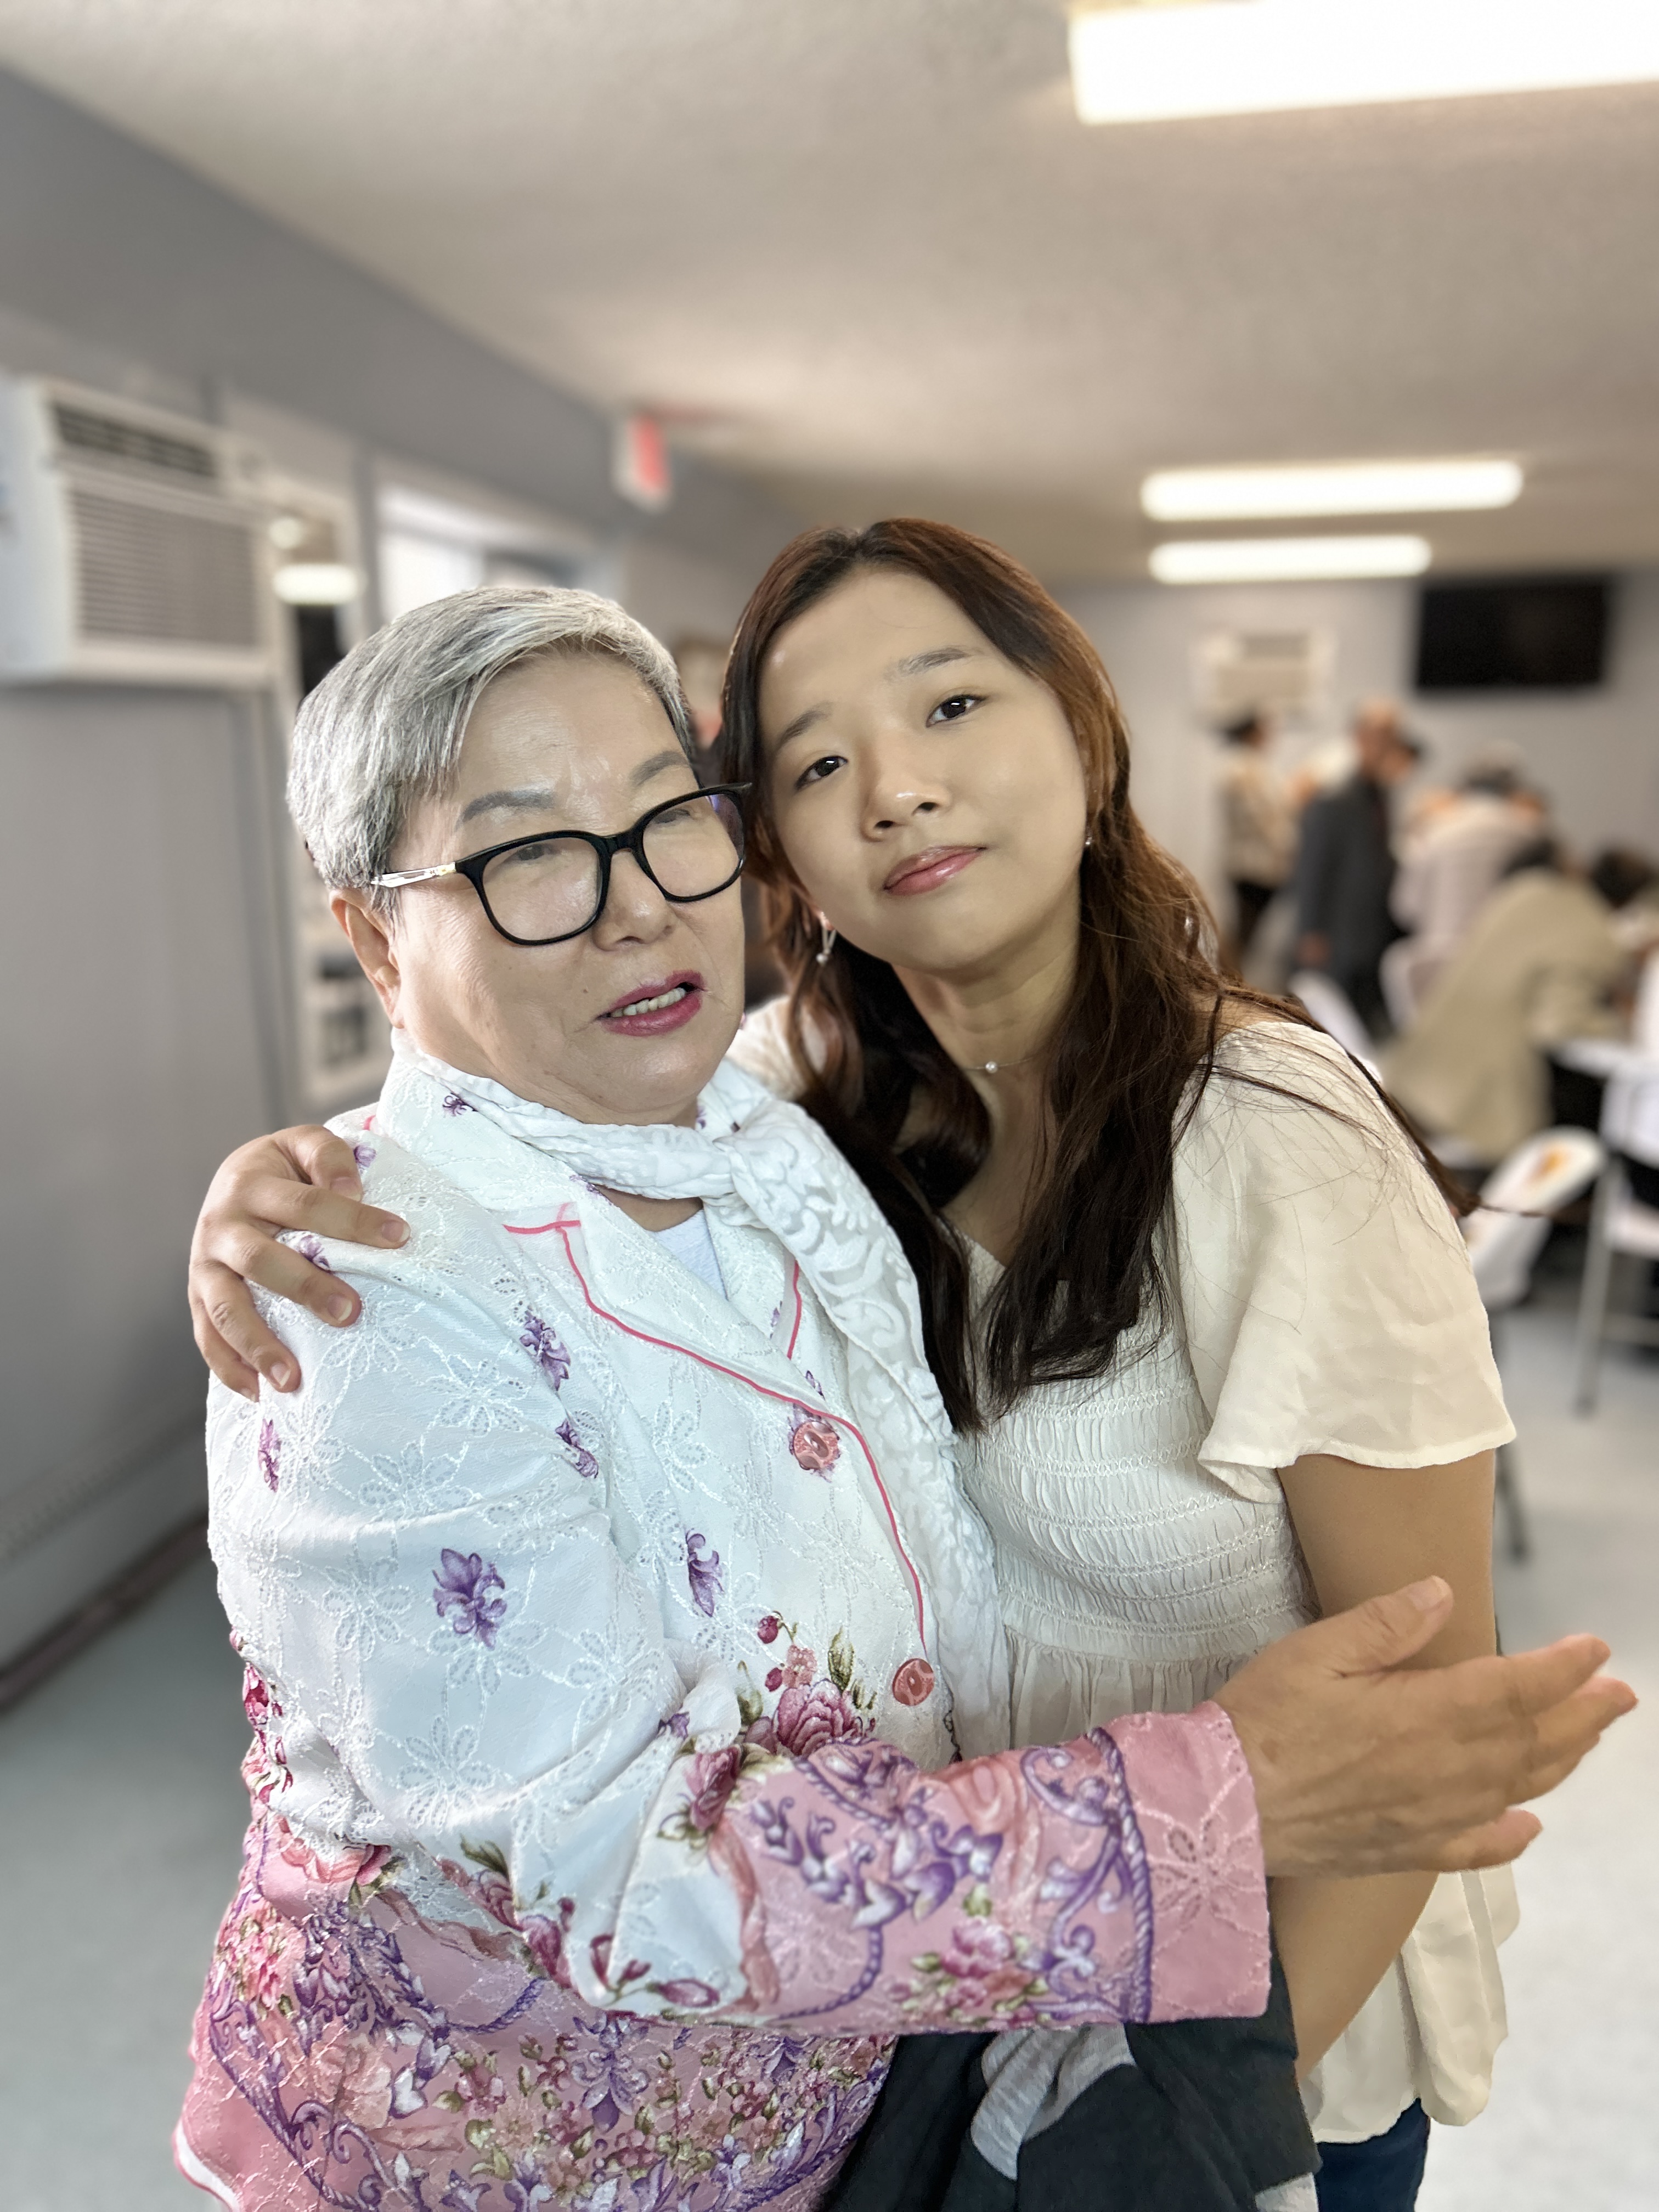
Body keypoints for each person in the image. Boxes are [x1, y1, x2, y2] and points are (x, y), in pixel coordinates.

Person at [188, 563, 1632, 2212]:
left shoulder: (1249, 1133)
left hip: (1239, 2034)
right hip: (894, 2057)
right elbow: (485, 1150)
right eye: (815, 761)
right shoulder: (784, 1102)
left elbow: (1414, 1722)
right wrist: (286, 1184)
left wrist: (1159, 2142)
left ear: (1085, 733)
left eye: (950, 704)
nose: (897, 789)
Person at [1386, 842, 1657, 1167]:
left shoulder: (1528, 889)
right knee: (1585, 1111)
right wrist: (1622, 1023)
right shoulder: (1599, 937)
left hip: (1416, 1070)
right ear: (1630, 902)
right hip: (1473, 1102)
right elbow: (1556, 1026)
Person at [1381, 753, 1548, 1028]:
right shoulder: (1529, 833)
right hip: (1503, 969)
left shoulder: (1436, 831)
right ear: (1513, 788)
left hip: (1434, 973)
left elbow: (1405, 907)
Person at [1293, 702, 1420, 1034]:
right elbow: (1312, 868)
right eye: (1380, 736)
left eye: (1392, 738)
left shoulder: (1382, 796)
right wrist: (1310, 930)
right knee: (1333, 1023)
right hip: (1338, 931)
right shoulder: (1334, 797)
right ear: (1359, 738)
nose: (1386, 746)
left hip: (1372, 930)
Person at [1217, 712, 1296, 960]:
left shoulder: (1251, 766)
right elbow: (1261, 819)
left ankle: (1229, 976)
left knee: (1245, 936)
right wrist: (1291, 843)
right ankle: (1226, 978)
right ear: (1252, 732)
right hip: (1253, 866)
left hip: (1258, 865)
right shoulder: (1243, 769)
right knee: (1242, 936)